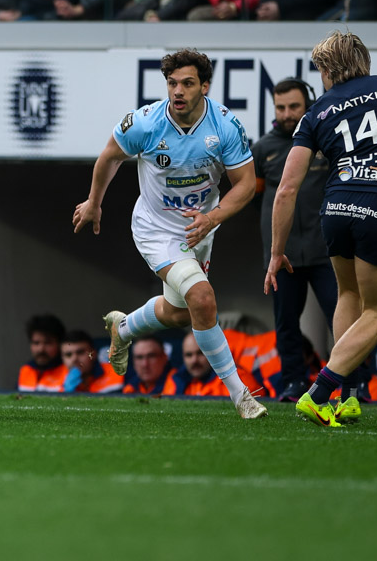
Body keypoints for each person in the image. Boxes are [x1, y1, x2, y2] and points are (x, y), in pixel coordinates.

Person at [73, 48, 268, 419]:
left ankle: (124, 327)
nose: (177, 91)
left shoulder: (225, 126)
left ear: (205, 87)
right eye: (172, 83)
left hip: (200, 228)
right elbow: (110, 156)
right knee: (203, 298)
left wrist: (213, 218)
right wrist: (94, 202)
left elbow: (245, 185)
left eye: (188, 83)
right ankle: (241, 395)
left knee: (182, 314)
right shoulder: (146, 122)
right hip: (156, 228)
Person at [266, 31, 377, 427]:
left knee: (348, 295)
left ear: (330, 69)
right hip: (376, 205)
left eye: (320, 71)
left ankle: (349, 397)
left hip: (335, 208)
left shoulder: (315, 113)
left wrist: (276, 252)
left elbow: (286, 189)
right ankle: (319, 393)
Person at [252, 78, 338, 402]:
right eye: (281, 107)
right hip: (282, 256)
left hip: (327, 251)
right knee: (286, 322)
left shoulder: (325, 139)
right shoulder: (262, 149)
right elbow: (256, 199)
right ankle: (293, 383)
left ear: (309, 104)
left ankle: (353, 384)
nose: (287, 114)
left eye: (294, 107)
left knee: (340, 317)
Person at [163, 331, 263, 396]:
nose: (194, 360)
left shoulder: (238, 378)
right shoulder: (175, 379)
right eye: (189, 355)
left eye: (200, 353)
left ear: (213, 353)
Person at [50, 329, 124, 393]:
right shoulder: (52, 378)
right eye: (68, 355)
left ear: (93, 354)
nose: (74, 359)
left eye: (80, 352)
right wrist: (65, 393)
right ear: (62, 358)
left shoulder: (117, 372)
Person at [17, 313, 66, 391]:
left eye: (47, 343)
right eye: (36, 343)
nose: (41, 349)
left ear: (60, 344)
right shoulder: (26, 370)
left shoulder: (67, 372)